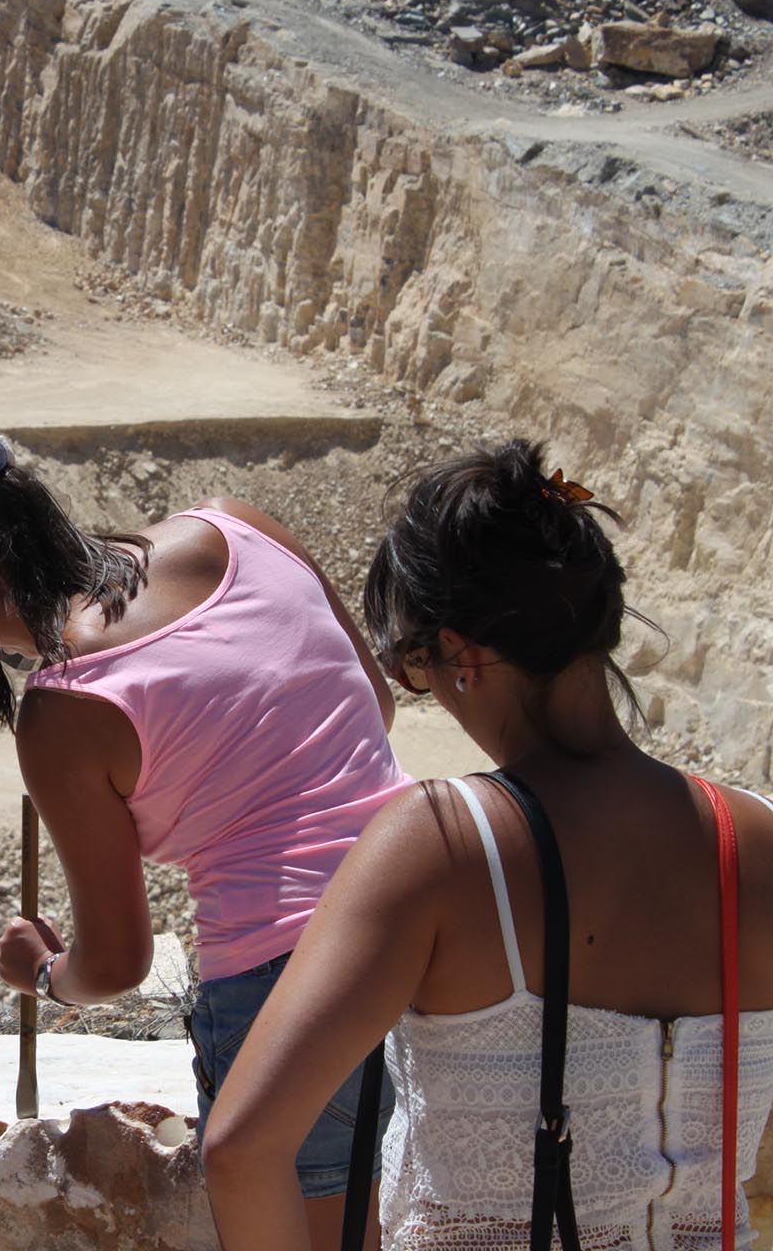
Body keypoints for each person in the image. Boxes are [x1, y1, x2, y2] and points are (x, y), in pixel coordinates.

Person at [202, 439, 773, 1248]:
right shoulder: (756, 834)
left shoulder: (440, 846)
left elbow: (240, 1148)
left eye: (414, 663)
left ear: (463, 655)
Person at [0, 428, 410, 1245]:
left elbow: (119, 963)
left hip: (286, 985)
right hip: (427, 902)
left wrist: (44, 973)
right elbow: (375, 702)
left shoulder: (65, 707)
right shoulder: (237, 524)